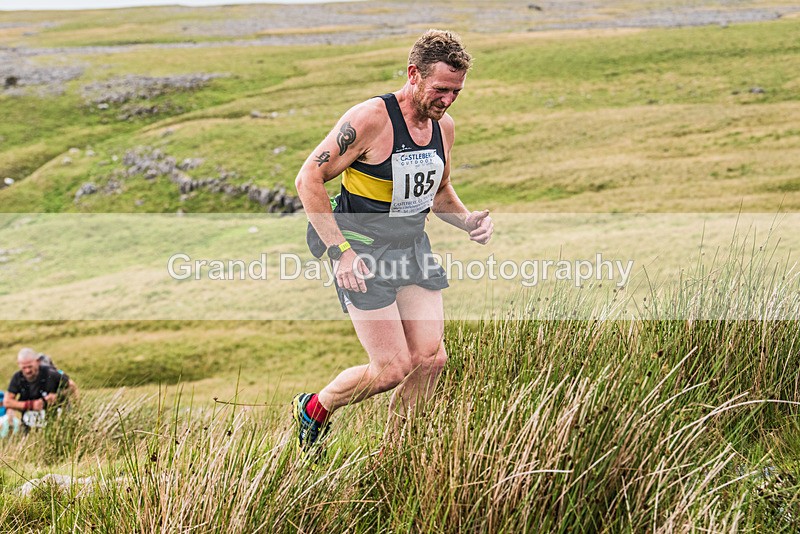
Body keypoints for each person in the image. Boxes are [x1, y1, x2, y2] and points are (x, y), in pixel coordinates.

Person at [293, 29, 493, 459]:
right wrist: (340, 252)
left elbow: (439, 193)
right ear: (413, 75)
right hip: (361, 253)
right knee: (390, 369)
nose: (448, 100)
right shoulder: (370, 119)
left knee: (431, 360)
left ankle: (396, 455)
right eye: (441, 89)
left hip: (412, 250)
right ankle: (314, 408)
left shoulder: (444, 128)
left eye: (456, 91)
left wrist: (468, 220)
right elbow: (308, 178)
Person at [4, 348, 78, 428]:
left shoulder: (51, 373)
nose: (27, 371)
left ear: (37, 361)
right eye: (24, 368)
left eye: (30, 367)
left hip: (55, 423)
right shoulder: (17, 378)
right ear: (19, 364)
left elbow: (72, 387)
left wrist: (57, 396)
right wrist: (31, 405)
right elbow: (7, 402)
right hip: (29, 423)